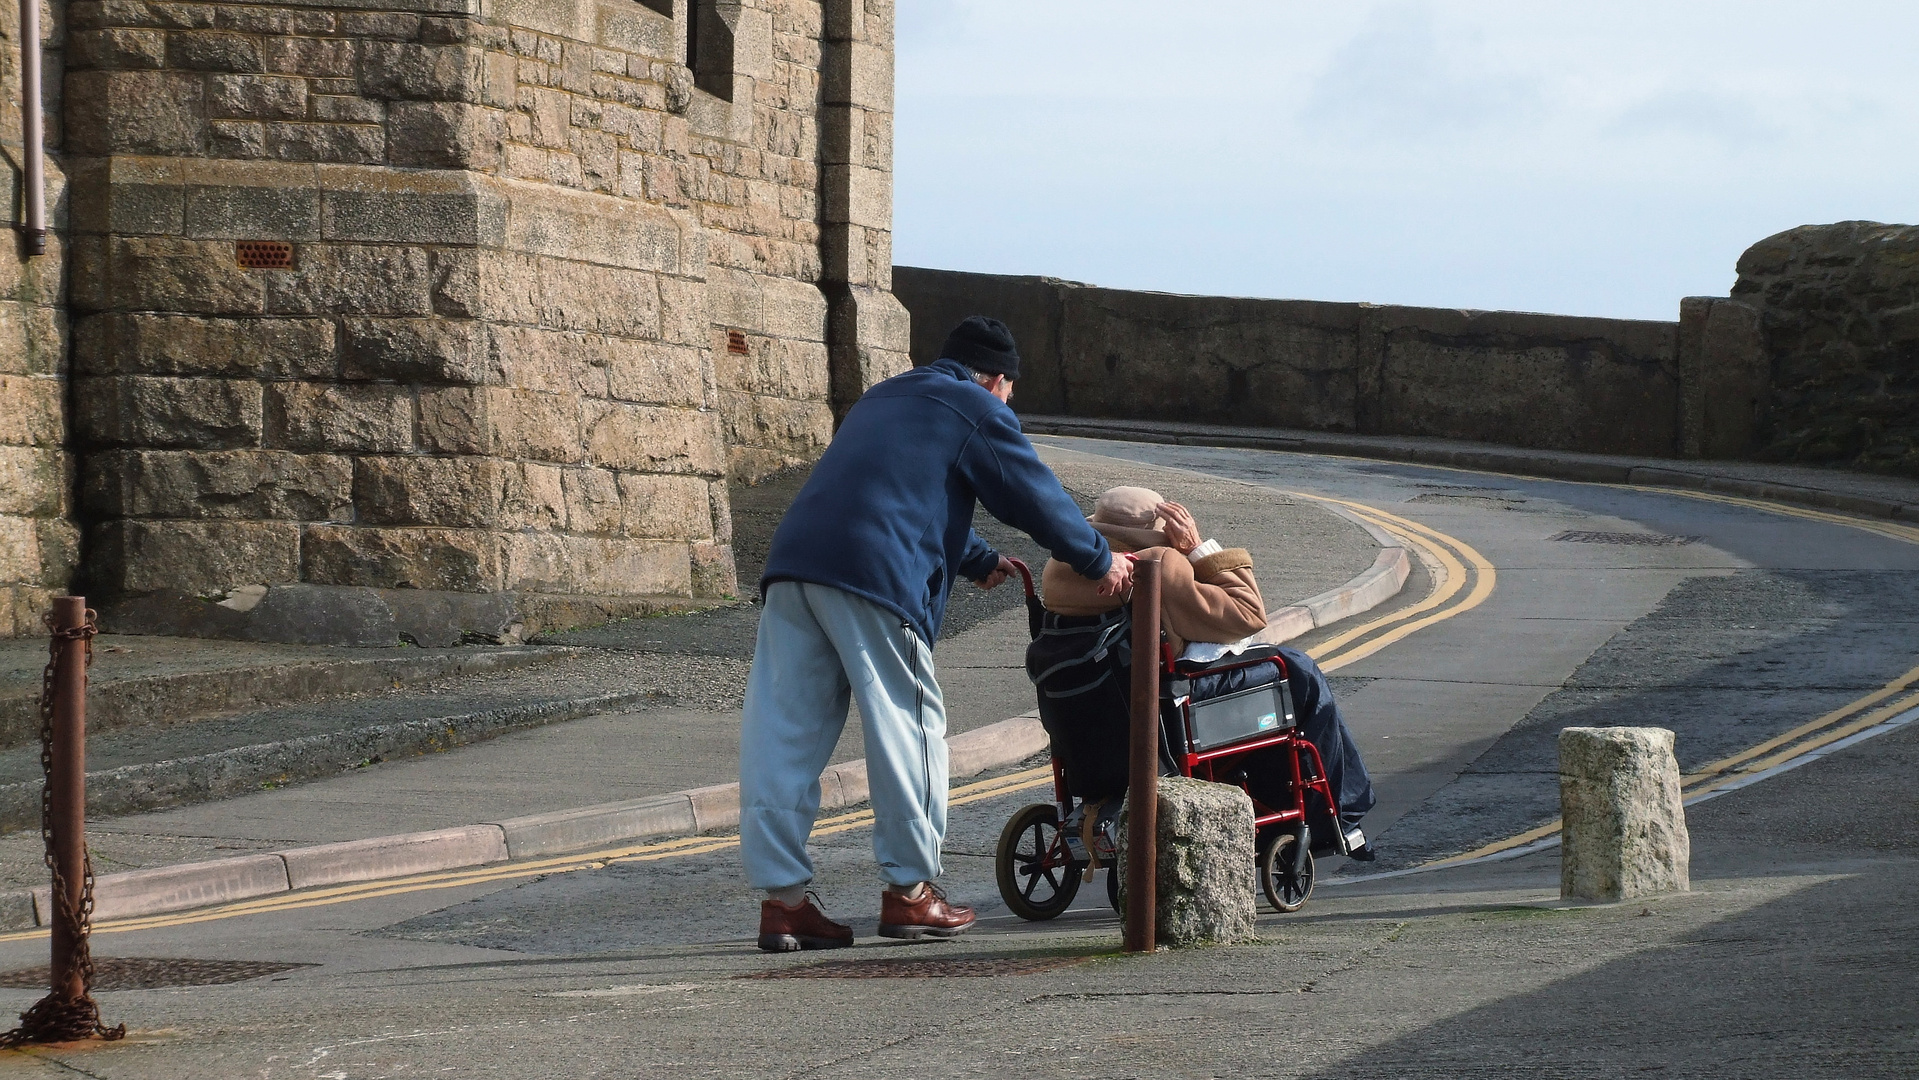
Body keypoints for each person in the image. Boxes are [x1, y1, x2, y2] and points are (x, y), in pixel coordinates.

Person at [741, 315, 1132, 952]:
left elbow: (889, 487)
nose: (1009, 403)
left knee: (783, 734)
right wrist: (1098, 558)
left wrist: (976, 559)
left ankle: (783, 903)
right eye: (1011, 391)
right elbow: (1031, 494)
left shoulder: (885, 395)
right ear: (999, 379)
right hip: (876, 577)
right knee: (910, 726)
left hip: (793, 566)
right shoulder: (976, 406)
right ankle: (911, 892)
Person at [1034, 486, 1378, 860]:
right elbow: (1248, 615)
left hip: (1097, 704)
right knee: (1298, 669)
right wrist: (1197, 547)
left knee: (1288, 668)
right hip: (1171, 699)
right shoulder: (1157, 562)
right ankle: (1343, 812)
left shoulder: (1061, 568)